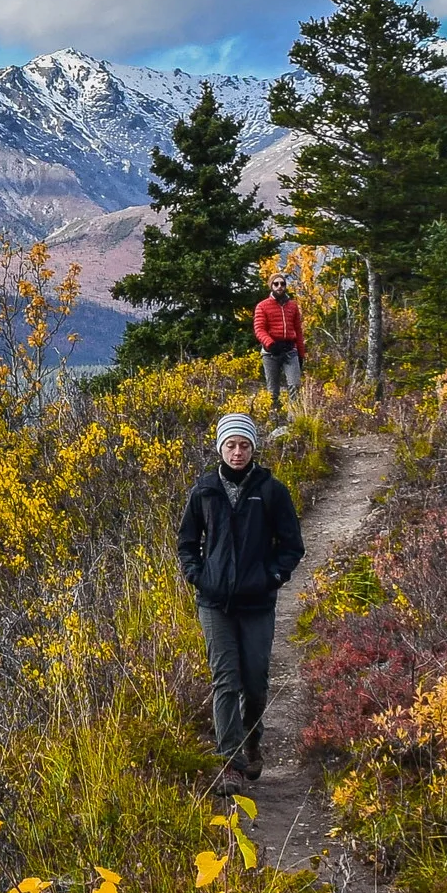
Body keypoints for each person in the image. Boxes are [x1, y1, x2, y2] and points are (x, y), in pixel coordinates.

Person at [175, 410, 305, 782]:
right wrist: (198, 576)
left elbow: (292, 546)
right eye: (231, 445)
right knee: (225, 681)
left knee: (255, 683)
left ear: (253, 448)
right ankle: (229, 762)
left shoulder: (271, 491)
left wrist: (272, 576)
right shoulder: (204, 490)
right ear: (220, 448)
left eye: (244, 445)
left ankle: (251, 741)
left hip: (257, 603)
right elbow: (187, 542)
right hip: (214, 602)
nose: (237, 452)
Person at [253, 273, 305, 411]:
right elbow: (259, 329)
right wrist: (271, 344)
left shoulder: (292, 306)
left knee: (295, 385)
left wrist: (301, 354)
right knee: (272, 390)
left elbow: (298, 331)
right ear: (271, 286)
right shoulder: (262, 306)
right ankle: (273, 416)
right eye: (276, 284)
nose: (279, 286)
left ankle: (294, 416)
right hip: (270, 352)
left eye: (282, 284)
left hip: (290, 350)